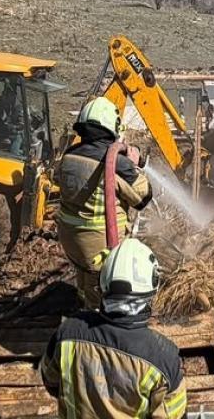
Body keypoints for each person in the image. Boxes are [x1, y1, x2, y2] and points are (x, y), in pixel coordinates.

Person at [41, 239, 187, 419]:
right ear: (152, 287)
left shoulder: (68, 333)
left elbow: (51, 381)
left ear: (102, 283)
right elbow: (173, 415)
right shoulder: (164, 358)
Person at [56, 97, 152, 309]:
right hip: (100, 247)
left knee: (84, 280)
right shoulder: (115, 162)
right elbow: (143, 198)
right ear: (113, 126)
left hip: (71, 241)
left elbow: (58, 180)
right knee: (101, 294)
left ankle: (82, 306)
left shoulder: (69, 155)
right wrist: (133, 165)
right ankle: (94, 329)